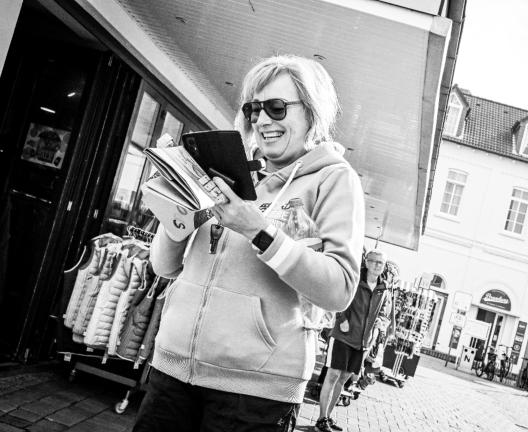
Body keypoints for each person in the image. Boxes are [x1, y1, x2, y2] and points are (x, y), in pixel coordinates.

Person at [133, 55, 365, 432]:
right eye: (254, 109)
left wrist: (260, 232)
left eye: (276, 107)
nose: (262, 120)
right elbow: (164, 266)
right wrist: (175, 204)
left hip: (256, 393)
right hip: (171, 371)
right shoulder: (225, 168)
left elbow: (339, 290)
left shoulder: (333, 180)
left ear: (312, 111)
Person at [315, 249, 394, 432]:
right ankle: (320, 419)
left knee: (344, 379)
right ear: (366, 262)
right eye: (374, 261)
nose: (377, 265)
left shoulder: (384, 289)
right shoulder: (355, 279)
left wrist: (381, 322)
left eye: (381, 263)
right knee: (333, 375)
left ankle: (328, 417)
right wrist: (341, 319)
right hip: (343, 336)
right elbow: (339, 298)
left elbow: (385, 313)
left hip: (363, 342)